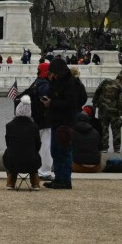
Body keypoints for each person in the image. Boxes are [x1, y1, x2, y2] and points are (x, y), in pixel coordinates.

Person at [39, 57, 84, 190]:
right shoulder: (57, 81)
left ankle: (65, 179)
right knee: (55, 150)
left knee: (64, 151)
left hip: (66, 122)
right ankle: (59, 178)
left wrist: (51, 103)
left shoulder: (71, 83)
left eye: (53, 72)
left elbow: (70, 103)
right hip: (56, 120)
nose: (52, 75)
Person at [20, 61, 51, 180]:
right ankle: (45, 171)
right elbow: (45, 99)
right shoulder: (45, 85)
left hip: (35, 119)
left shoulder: (35, 83)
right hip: (44, 120)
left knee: (37, 146)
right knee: (46, 146)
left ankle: (36, 169)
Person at [3, 96, 41, 190]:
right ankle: (35, 183)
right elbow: (38, 145)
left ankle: (11, 182)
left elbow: (8, 144)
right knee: (33, 155)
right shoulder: (35, 127)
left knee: (11, 154)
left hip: (12, 162)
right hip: (31, 162)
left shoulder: (9, 126)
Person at [93, 72, 122, 152]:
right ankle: (117, 149)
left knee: (103, 129)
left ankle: (104, 148)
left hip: (102, 110)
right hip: (114, 112)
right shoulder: (121, 88)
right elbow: (120, 102)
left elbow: (97, 92)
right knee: (116, 131)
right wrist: (120, 113)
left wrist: (95, 104)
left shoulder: (105, 81)